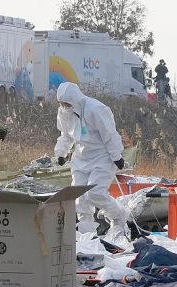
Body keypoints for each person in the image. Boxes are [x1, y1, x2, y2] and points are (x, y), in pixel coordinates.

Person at [53, 82, 129, 240]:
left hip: (102, 157)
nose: (64, 106)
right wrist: (61, 152)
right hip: (81, 158)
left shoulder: (95, 109)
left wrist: (117, 156)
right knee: (80, 199)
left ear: (75, 100)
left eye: (67, 103)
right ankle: (86, 237)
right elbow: (66, 135)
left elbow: (110, 134)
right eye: (61, 104)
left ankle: (118, 216)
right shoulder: (64, 112)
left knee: (95, 193)